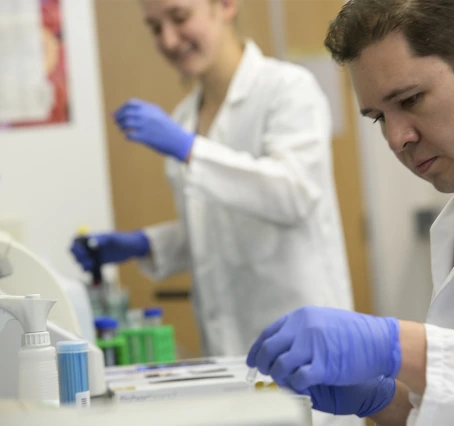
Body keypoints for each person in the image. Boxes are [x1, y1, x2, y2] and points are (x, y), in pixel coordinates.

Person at [246, 0, 454, 425]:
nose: (396, 139)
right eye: (378, 118)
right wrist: (386, 400)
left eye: (410, 99)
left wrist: (398, 346)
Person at [71, 0, 354, 403]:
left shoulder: (287, 89)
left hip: (304, 350)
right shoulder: (185, 116)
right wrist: (144, 244)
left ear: (225, 5)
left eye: (180, 18)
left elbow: (294, 193)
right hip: (228, 355)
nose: (168, 39)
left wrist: (190, 150)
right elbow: (218, 229)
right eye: (154, 28)